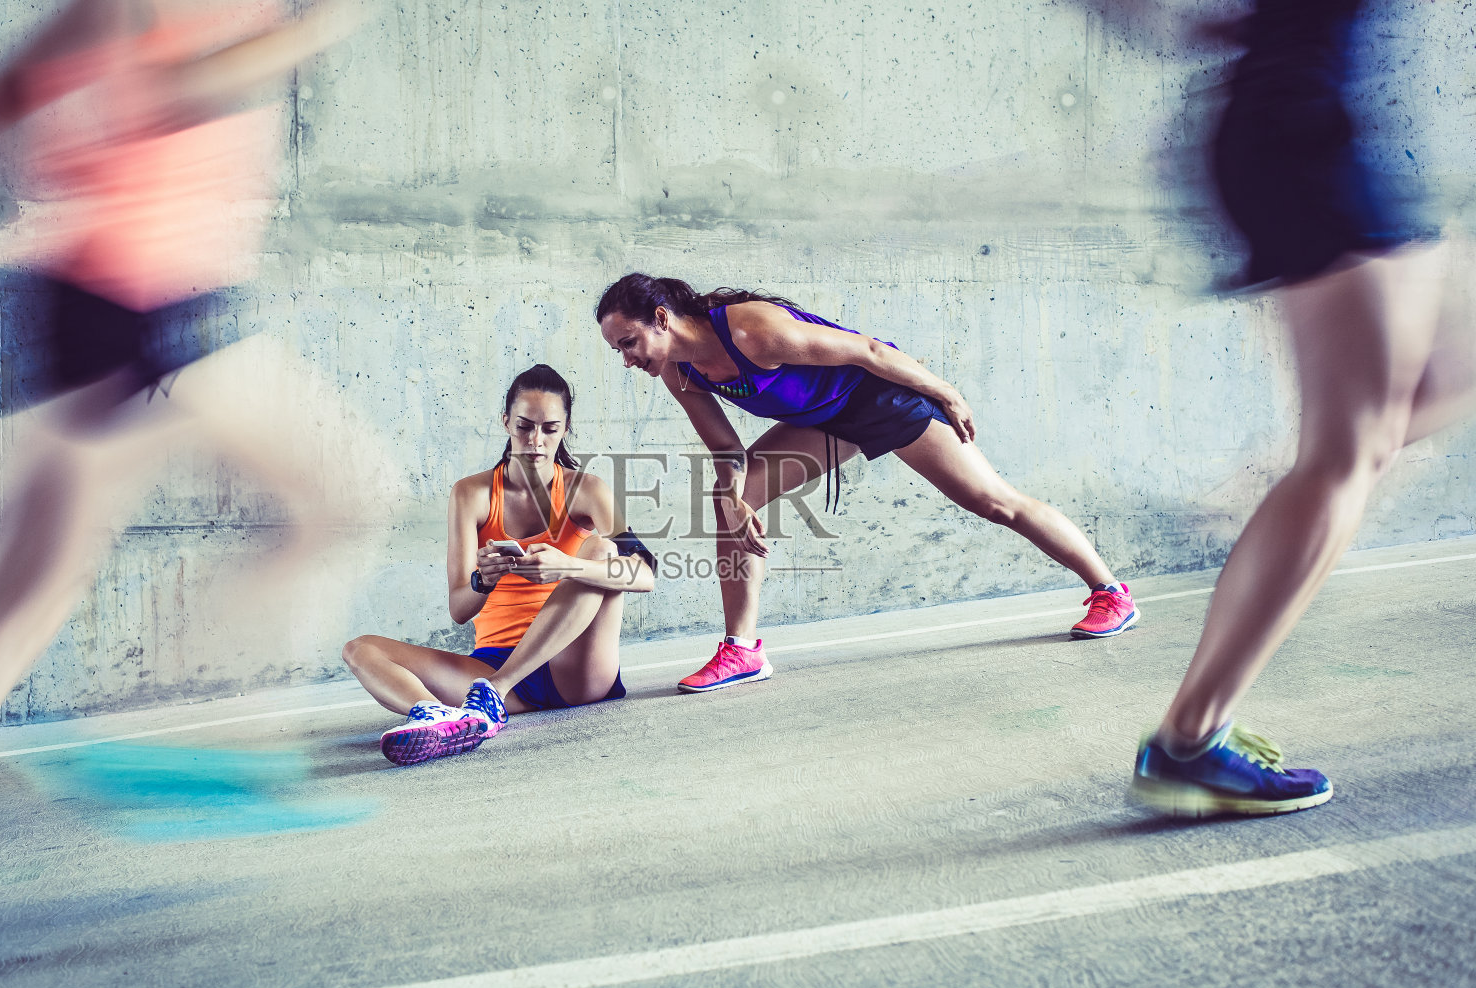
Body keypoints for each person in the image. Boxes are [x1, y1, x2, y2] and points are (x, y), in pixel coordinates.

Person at [0, 0, 369, 988]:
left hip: (126, 293)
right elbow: (168, 90)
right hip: (131, 304)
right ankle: (157, 725)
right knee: (328, 498)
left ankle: (170, 728)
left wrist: (67, 200)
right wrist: (313, 31)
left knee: (324, 501)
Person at [1112, 0, 1476, 816]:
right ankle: (1188, 742)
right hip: (1299, 132)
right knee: (1350, 454)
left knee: (1448, 376)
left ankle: (1279, 489)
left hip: (1327, 126)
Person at [596, 274, 1138, 695]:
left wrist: (946, 393)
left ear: (661, 318)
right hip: (823, 419)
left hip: (880, 398)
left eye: (628, 342)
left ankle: (1111, 593)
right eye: (618, 350)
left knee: (994, 502)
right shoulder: (680, 371)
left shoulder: (750, 330)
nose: (627, 359)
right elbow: (725, 448)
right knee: (730, 503)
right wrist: (735, 494)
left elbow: (869, 352)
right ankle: (742, 650)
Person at [343, 364, 657, 766]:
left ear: (565, 429)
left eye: (549, 429)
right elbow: (459, 609)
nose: (536, 441)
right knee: (359, 649)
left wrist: (567, 566)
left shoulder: (586, 489)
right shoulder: (471, 494)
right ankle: (438, 718)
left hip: (572, 664)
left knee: (599, 550)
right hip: (491, 664)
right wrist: (483, 580)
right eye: (524, 427)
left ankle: (492, 695)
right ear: (506, 421)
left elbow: (645, 575)